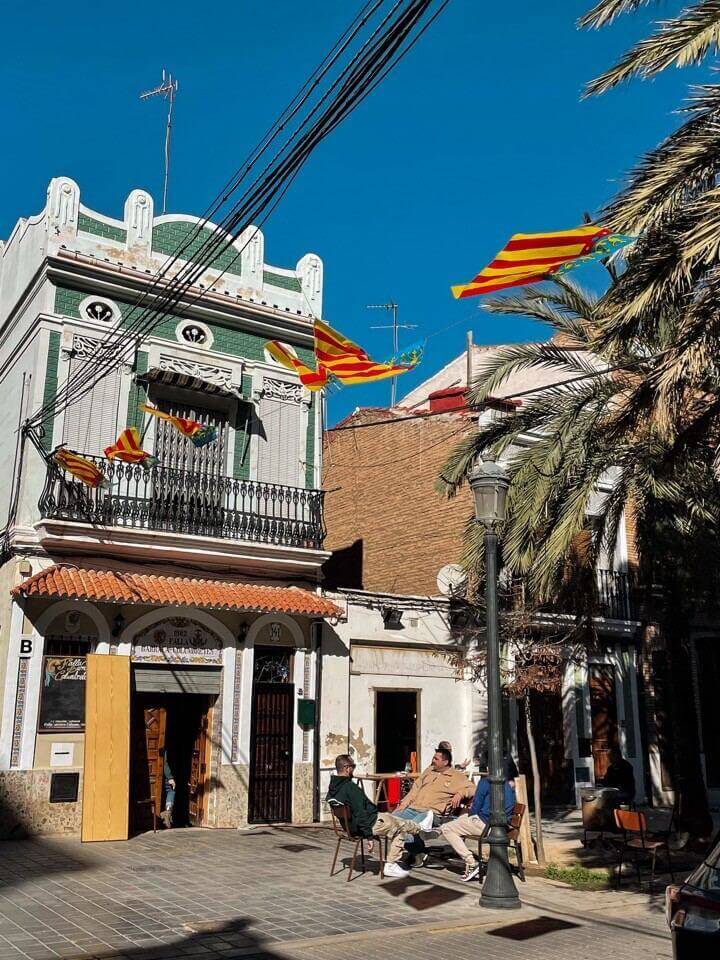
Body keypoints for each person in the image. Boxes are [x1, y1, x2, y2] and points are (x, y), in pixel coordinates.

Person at [326, 754, 433, 879]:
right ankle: (391, 864)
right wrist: (369, 836)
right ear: (347, 768)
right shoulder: (350, 788)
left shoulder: (332, 788)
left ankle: (420, 828)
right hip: (368, 824)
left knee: (394, 818)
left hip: (352, 826)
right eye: (353, 766)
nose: (354, 769)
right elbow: (361, 813)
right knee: (400, 829)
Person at [394, 746, 476, 867]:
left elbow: (473, 789)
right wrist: (403, 805)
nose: (433, 761)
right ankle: (418, 852)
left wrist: (460, 793)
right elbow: (414, 790)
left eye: (436, 759)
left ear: (445, 762)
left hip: (432, 813)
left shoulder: (456, 776)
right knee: (390, 822)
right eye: (433, 758)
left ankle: (417, 852)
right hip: (413, 808)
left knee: (408, 828)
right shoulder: (429, 771)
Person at [440, 759, 517, 881]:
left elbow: (476, 806)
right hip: (503, 826)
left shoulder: (485, 782)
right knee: (462, 819)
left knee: (446, 828)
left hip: (486, 825)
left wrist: (471, 815)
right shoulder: (507, 784)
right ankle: (459, 846)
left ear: (487, 769)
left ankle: (471, 862)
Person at [160, 755, 175, 829]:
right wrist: (170, 777)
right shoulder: (163, 749)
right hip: (163, 776)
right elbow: (164, 762)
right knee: (171, 791)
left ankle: (163, 814)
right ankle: (167, 813)